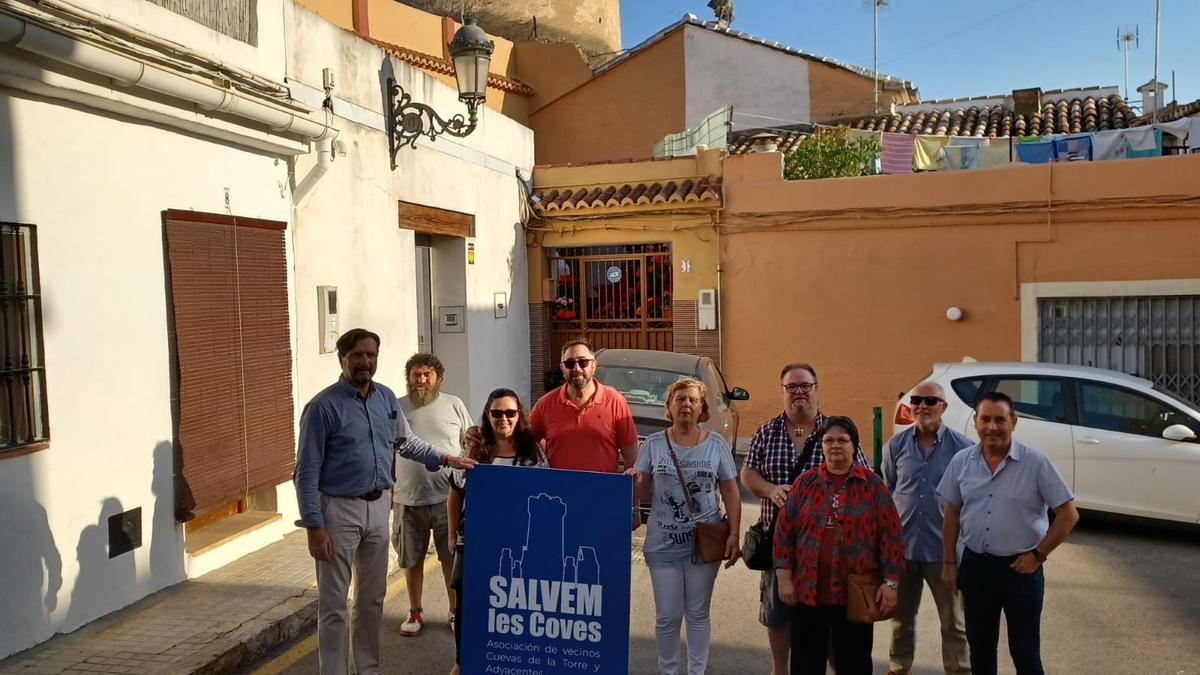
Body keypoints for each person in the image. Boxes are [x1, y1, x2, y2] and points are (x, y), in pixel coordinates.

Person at [293, 328, 475, 675]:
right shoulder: (322, 407)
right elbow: (305, 473)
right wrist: (314, 527)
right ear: (342, 359)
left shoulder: (386, 399)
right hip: (338, 510)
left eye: (371, 355)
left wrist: (447, 458)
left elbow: (407, 443)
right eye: (357, 355)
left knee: (372, 599)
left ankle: (368, 669)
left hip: (379, 508)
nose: (365, 362)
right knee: (334, 605)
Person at [740, 363, 869, 675]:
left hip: (828, 550)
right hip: (777, 542)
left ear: (816, 388)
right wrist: (770, 490)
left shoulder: (835, 432)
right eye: (791, 387)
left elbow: (862, 477)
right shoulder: (766, 431)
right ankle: (780, 670)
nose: (799, 392)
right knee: (778, 614)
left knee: (827, 620)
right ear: (783, 391)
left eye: (805, 385)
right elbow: (747, 473)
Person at [937, 392, 1079, 675]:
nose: (992, 427)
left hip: (1021, 571)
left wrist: (1038, 555)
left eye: (1000, 420)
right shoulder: (962, 461)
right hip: (977, 568)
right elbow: (952, 513)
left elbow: (1068, 514)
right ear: (975, 422)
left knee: (1025, 653)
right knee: (980, 651)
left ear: (1013, 422)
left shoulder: (1036, 463)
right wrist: (949, 564)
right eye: (985, 419)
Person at [773, 416, 904, 675]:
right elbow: (784, 530)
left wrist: (891, 584)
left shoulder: (873, 486)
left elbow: (892, 536)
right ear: (821, 446)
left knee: (853, 661)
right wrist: (784, 575)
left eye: (842, 440)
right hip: (809, 589)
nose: (835, 445)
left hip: (854, 592)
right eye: (829, 440)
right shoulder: (805, 483)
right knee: (806, 661)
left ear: (854, 446)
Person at [633, 377, 742, 675]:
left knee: (697, 613)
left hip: (704, 543)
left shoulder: (716, 445)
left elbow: (731, 492)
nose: (686, 404)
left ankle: (697, 671)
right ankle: (667, 671)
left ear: (702, 408)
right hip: (662, 544)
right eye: (680, 399)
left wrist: (734, 533)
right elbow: (640, 494)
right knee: (667, 615)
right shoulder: (654, 444)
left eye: (693, 400)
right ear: (669, 406)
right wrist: (636, 480)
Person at [446, 388, 548, 675]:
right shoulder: (476, 450)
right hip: (476, 541)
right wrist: (453, 535)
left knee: (516, 605)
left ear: (519, 416)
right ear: (487, 415)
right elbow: (455, 492)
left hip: (518, 543)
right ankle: (463, 660)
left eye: (510, 413)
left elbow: (545, 494)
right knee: (470, 606)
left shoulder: (533, 452)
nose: (504, 418)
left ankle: (511, 659)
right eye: (497, 413)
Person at [881, 382, 973, 675]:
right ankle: (898, 667)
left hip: (943, 552)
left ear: (943, 407)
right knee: (901, 619)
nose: (922, 406)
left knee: (954, 622)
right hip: (903, 550)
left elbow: (970, 500)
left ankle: (958, 670)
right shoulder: (896, 446)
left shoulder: (962, 448)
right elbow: (890, 489)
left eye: (930, 401)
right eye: (916, 400)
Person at [464, 339, 639, 474]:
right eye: (570, 363)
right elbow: (517, 435)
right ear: (562, 368)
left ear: (594, 365)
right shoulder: (546, 404)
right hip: (558, 495)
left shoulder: (615, 401)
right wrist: (480, 433)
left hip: (601, 495)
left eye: (583, 362)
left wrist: (634, 504)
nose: (576, 368)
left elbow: (631, 453)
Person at [393, 353, 472, 638]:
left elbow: (469, 442)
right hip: (407, 499)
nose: (422, 380)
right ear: (409, 377)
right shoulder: (397, 408)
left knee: (450, 557)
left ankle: (454, 611)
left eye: (427, 374)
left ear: (439, 377)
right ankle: (415, 611)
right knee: (410, 559)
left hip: (446, 499)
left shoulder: (454, 404)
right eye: (416, 374)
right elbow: (390, 450)